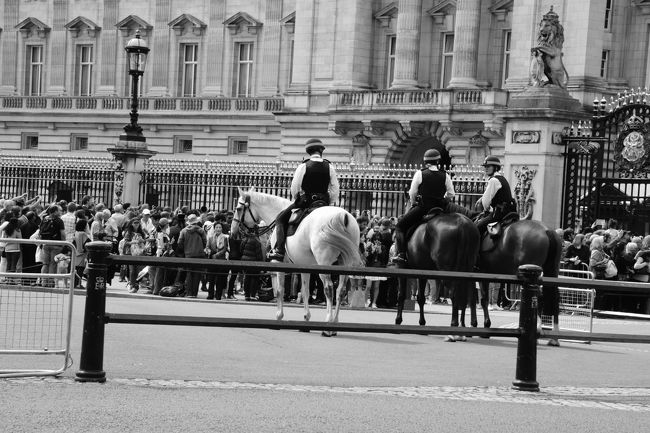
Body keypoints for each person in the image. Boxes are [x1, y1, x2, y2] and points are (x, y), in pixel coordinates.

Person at [268, 138, 339, 261]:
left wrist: (297, 198)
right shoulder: (329, 166)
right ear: (321, 151)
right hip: (324, 203)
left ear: (308, 152)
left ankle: (279, 250)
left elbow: (295, 187)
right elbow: (335, 189)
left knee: (280, 219)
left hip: (307, 202)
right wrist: (329, 202)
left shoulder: (304, 166)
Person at [393, 149, 456, 264]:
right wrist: (442, 201)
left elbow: (412, 192)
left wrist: (413, 203)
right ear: (438, 161)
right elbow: (451, 194)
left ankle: (401, 254)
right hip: (439, 209)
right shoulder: (445, 175)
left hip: (423, 208)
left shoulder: (420, 173)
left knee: (400, 226)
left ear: (426, 161)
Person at [475, 156, 517, 237]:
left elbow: (486, 202)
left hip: (498, 214)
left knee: (476, 228)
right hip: (509, 212)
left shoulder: (493, 180)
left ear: (495, 167)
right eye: (485, 167)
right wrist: (482, 198)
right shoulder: (501, 178)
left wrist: (486, 210)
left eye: (488, 167)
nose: (486, 169)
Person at [177, 214, 207, 298]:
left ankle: (189, 293)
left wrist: (185, 249)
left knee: (189, 273)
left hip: (188, 255)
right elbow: (205, 242)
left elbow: (179, 243)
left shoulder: (183, 231)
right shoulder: (201, 231)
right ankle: (194, 293)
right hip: (199, 255)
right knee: (197, 274)